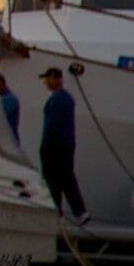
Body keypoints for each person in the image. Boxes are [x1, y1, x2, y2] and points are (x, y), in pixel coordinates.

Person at [35, 67, 84, 220]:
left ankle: (56, 212)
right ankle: (80, 212)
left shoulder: (56, 100)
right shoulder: (68, 99)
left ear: (56, 78)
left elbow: (52, 126)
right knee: (67, 178)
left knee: (53, 180)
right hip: (67, 146)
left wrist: (44, 147)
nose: (45, 83)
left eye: (47, 79)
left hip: (54, 147)